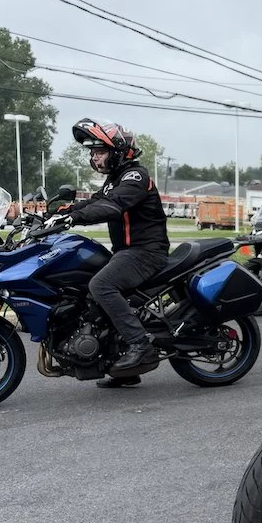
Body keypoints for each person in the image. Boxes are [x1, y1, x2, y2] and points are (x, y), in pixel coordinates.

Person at [46, 118, 170, 387]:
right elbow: (94, 202)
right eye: (93, 153)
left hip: (146, 252)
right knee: (86, 288)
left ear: (118, 152)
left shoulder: (136, 177)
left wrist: (74, 219)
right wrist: (56, 213)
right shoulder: (115, 180)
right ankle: (121, 365)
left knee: (101, 285)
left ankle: (140, 345)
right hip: (126, 252)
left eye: (100, 152)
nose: (94, 157)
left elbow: (112, 206)